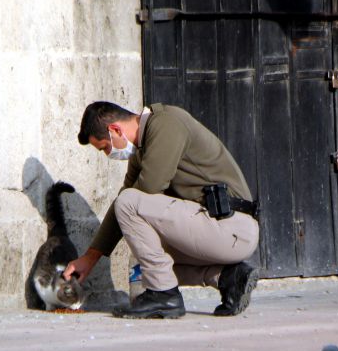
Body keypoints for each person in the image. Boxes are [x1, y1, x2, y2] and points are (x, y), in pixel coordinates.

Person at [63, 101, 260, 319]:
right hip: (215, 230)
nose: (108, 154)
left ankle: (164, 295)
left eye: (105, 148)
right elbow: (123, 203)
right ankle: (227, 277)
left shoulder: (166, 123)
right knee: (139, 265)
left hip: (232, 227)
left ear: (115, 130)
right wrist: (90, 257)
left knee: (129, 203)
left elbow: (143, 192)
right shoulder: (142, 149)